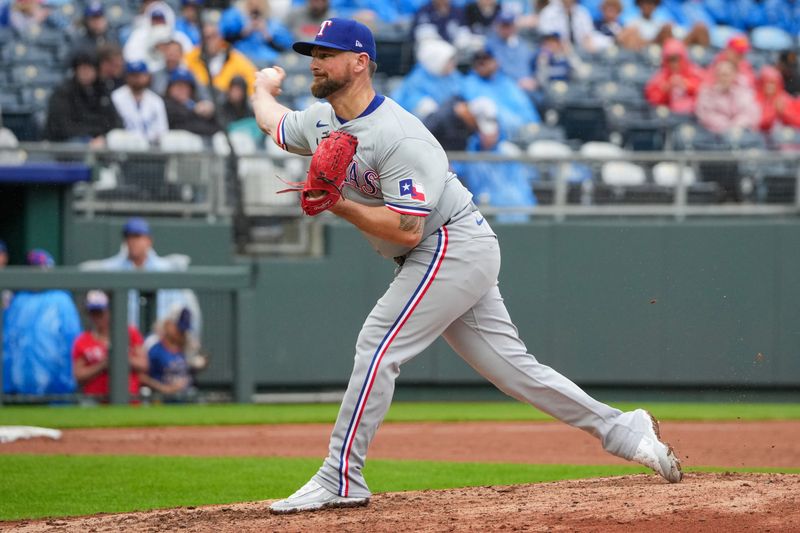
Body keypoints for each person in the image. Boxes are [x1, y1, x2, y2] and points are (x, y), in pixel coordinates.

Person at [252, 17, 682, 514]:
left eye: (327, 53)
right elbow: (274, 123)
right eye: (313, 53)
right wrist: (262, 86)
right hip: (437, 250)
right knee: (513, 371)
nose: (316, 62)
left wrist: (338, 204)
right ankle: (621, 428)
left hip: (448, 242)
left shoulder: (400, 136)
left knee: (378, 343)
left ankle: (341, 476)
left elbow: (406, 228)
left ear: (360, 62)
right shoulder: (323, 120)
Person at [79, 217, 204, 342]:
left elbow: (184, 312)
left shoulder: (165, 269)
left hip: (160, 343)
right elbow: (86, 270)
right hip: (125, 342)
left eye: (138, 237)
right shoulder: (114, 268)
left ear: (149, 240)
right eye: (129, 237)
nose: (133, 242)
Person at [2, 249, 81, 395]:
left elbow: (72, 342)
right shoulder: (18, 300)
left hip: (56, 388)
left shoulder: (61, 299)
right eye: (35, 269)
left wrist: (67, 380)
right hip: (18, 386)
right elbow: (7, 343)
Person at [72, 290, 149, 400]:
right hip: (95, 401)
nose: (97, 317)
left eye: (100, 313)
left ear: (109, 311)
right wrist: (102, 365)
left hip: (129, 399)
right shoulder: (82, 340)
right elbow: (78, 375)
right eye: (93, 313)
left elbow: (143, 364)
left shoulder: (130, 333)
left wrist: (119, 358)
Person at [43, 50, 122, 147]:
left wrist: (103, 137)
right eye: (82, 69)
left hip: (99, 141)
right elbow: (63, 127)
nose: (86, 73)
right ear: (76, 71)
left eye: (89, 69)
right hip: (67, 144)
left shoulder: (102, 91)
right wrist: (90, 138)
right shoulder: (63, 92)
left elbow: (115, 122)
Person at [461, 48, 540, 139]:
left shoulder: (506, 82)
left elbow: (526, 108)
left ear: (496, 62)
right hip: (496, 140)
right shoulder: (469, 84)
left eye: (487, 61)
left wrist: (533, 127)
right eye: (480, 63)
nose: (483, 65)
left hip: (525, 134)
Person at [390, 38, 463, 118]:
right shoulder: (417, 80)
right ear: (436, 61)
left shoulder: (453, 75)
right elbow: (408, 102)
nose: (453, 64)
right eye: (448, 61)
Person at [185, 21, 257, 97]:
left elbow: (253, 82)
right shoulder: (191, 57)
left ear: (221, 37)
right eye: (206, 37)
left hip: (227, 102)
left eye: (214, 36)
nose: (210, 41)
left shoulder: (236, 58)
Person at [138, 305, 197, 399]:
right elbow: (140, 376)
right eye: (179, 328)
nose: (182, 332)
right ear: (168, 324)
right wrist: (164, 388)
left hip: (184, 402)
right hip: (159, 402)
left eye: (184, 329)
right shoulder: (153, 344)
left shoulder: (185, 346)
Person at [111, 60, 169, 145]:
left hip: (151, 150)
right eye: (133, 75)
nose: (136, 79)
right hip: (124, 147)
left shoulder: (156, 100)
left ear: (147, 76)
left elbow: (163, 131)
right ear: (127, 77)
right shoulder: (116, 97)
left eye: (140, 75)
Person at [219, 0, 294, 66]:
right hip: (241, 59)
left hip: (268, 62)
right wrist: (244, 32)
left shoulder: (274, 24)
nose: (255, 4)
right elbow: (223, 38)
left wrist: (266, 34)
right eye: (251, 3)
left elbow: (286, 47)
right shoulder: (235, 17)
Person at [695, 59, 760, 134]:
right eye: (719, 74)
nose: (723, 78)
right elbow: (705, 115)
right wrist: (727, 127)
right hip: (713, 133)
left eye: (726, 74)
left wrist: (735, 126)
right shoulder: (706, 92)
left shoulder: (744, 90)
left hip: (739, 132)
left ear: (735, 74)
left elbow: (750, 113)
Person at [644, 37, 704, 115]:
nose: (674, 64)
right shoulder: (660, 76)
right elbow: (652, 98)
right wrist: (666, 89)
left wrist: (686, 85)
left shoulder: (695, 72)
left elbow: (705, 89)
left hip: (692, 116)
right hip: (669, 117)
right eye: (670, 60)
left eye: (676, 59)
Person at [163, 68, 221, 137]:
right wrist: (195, 110)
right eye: (178, 86)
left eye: (186, 87)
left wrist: (210, 113)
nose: (182, 90)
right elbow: (180, 120)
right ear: (169, 88)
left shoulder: (194, 103)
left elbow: (214, 128)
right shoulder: (162, 103)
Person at [755, 65, 800, 132]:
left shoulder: (785, 99)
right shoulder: (756, 100)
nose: (769, 86)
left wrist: (784, 112)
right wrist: (774, 113)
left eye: (772, 83)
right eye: (766, 82)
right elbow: (757, 124)